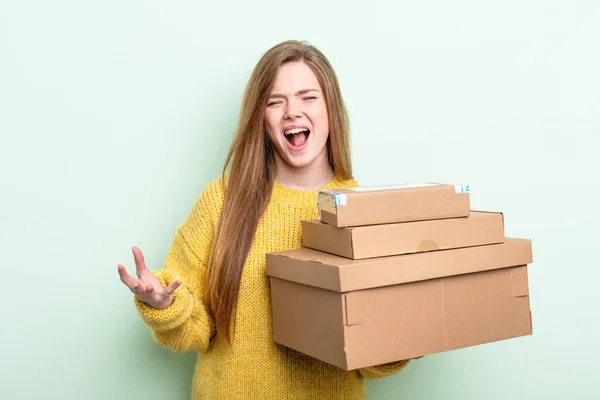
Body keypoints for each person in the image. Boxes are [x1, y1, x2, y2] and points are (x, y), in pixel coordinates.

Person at [117, 40, 412, 399]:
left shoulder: (364, 210)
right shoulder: (221, 201)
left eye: (308, 97)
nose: (292, 111)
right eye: (276, 101)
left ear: (331, 109)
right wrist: (164, 304)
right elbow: (193, 329)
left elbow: (374, 362)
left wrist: (409, 326)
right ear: (262, 118)